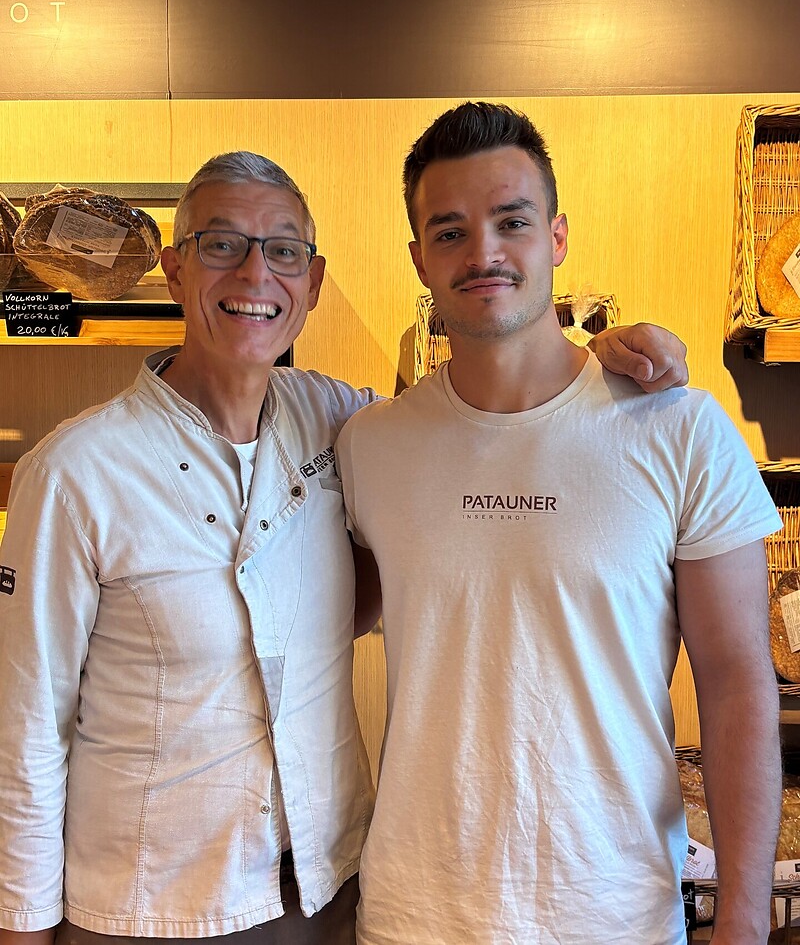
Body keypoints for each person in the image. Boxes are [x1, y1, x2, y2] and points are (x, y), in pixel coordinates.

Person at [0, 150, 688, 945]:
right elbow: (26, 730)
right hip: (152, 904)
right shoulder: (74, 471)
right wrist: (24, 931)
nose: (255, 272)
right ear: (176, 269)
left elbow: (479, 425)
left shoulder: (341, 420)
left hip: (327, 895)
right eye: (222, 243)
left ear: (314, 280)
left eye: (283, 249)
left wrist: (600, 362)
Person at [334, 103, 783, 945]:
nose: (484, 253)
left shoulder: (678, 427)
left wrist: (746, 918)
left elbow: (735, 682)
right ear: (419, 257)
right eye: (450, 231)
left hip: (615, 912)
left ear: (558, 236)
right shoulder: (370, 444)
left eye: (512, 221)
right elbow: (316, 611)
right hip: (413, 916)